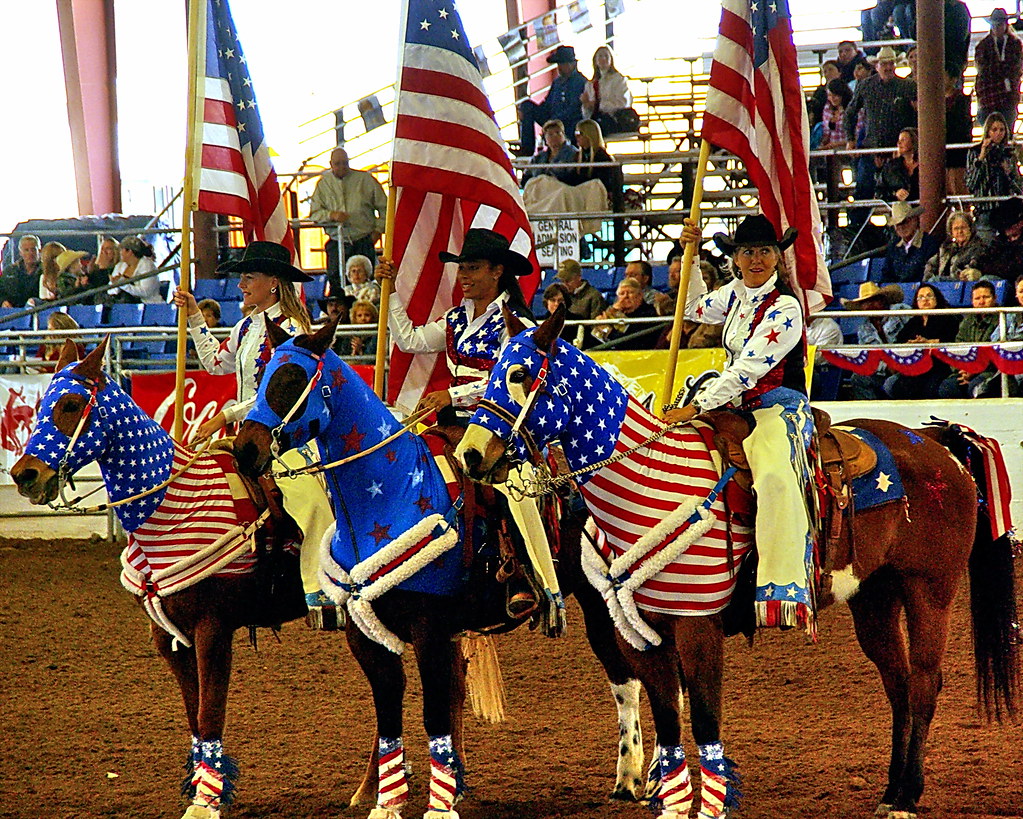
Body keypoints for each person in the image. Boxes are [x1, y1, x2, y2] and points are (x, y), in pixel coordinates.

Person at [172, 240, 336, 629]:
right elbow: (215, 364)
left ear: (273, 282)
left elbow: (277, 394)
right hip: (249, 433)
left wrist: (225, 415)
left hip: (284, 433)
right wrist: (194, 315)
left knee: (311, 501)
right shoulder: (246, 326)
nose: (241, 285)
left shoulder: (292, 330)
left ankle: (320, 588)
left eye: (249, 277)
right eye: (242, 278)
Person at [666, 215, 815, 631]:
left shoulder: (785, 307)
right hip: (735, 405)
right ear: (735, 258)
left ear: (777, 257)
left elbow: (748, 369)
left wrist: (697, 406)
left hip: (777, 405)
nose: (756, 259)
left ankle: (784, 587)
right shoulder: (734, 294)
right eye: (748, 251)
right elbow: (693, 307)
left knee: (775, 478)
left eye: (765, 251)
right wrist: (691, 255)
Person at [376, 227, 536, 420]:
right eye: (461, 268)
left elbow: (510, 379)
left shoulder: (516, 323)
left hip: (499, 419)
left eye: (473, 268)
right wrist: (390, 290)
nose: (463, 275)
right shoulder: (455, 318)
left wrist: (452, 395)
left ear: (497, 272)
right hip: (457, 415)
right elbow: (409, 341)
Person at [844, 46, 916, 226]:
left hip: (898, 153)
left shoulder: (908, 86)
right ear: (876, 66)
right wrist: (850, 139)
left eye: (891, 63)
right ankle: (857, 230)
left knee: (902, 193)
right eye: (884, 64)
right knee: (863, 192)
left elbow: (918, 115)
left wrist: (909, 145)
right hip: (872, 150)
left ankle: (900, 226)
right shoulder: (865, 86)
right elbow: (850, 113)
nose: (888, 67)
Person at [309, 147, 387, 295]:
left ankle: (366, 308)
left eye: (345, 163)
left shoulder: (365, 180)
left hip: (363, 240)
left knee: (367, 284)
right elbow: (314, 214)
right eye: (337, 163)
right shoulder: (323, 184)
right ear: (331, 164)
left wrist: (378, 231)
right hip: (337, 242)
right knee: (336, 284)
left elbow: (385, 207)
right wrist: (331, 215)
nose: (342, 167)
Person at [885, 283, 960, 399]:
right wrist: (909, 346)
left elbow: (951, 341)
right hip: (915, 366)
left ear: (937, 299)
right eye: (920, 297)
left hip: (939, 366)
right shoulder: (913, 322)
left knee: (930, 387)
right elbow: (899, 343)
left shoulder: (949, 318)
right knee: (896, 385)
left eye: (929, 296)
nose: (925, 300)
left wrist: (928, 343)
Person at [840, 282, 909, 400]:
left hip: (909, 363)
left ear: (883, 300)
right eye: (865, 302)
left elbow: (916, 333)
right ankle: (873, 409)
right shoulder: (864, 329)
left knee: (893, 383)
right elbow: (867, 358)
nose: (870, 305)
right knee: (858, 378)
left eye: (874, 300)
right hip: (885, 370)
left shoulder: (901, 312)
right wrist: (886, 367)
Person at [518, 44, 587, 157]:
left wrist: (554, 120)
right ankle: (527, 148)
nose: (559, 67)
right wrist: (528, 112)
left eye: (563, 64)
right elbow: (547, 103)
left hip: (570, 123)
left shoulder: (580, 82)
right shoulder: (557, 82)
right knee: (527, 106)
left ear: (573, 64)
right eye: (559, 64)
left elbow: (574, 108)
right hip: (553, 118)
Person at [937, 281, 1002, 398]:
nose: (981, 302)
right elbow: (957, 348)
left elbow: (997, 354)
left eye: (986, 297)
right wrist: (963, 369)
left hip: (991, 371)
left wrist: (975, 370)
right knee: (947, 387)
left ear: (995, 298)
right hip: (966, 369)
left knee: (976, 388)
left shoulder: (1002, 318)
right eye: (977, 298)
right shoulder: (967, 320)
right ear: (972, 301)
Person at [966, 113, 1023, 241]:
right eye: (994, 130)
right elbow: (971, 184)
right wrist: (981, 158)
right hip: (985, 209)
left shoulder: (1008, 153)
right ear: (988, 131)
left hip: (1006, 212)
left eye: (1001, 130)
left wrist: (1009, 173)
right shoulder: (974, 152)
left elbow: (1019, 187)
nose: (998, 134)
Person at [974, 8, 1023, 131]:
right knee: (990, 132)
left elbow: (1016, 69)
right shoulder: (983, 46)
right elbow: (984, 71)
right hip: (988, 98)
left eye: (999, 25)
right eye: (994, 25)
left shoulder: (1015, 44)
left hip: (1007, 98)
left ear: (1005, 25)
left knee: (1006, 132)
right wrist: (1004, 71)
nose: (996, 28)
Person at [590, 276, 659, 349]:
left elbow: (631, 344)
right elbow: (595, 341)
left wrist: (608, 331)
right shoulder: (613, 312)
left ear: (640, 295)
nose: (626, 296)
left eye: (630, 293)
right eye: (622, 293)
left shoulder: (649, 313)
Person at [878, 202, 939, 283]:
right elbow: (886, 275)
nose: (901, 227)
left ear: (915, 220)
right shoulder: (893, 246)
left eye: (905, 222)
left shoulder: (929, 243)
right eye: (897, 224)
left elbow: (929, 275)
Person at [580, 45, 634, 137]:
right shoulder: (590, 84)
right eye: (600, 56)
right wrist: (586, 105)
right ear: (595, 61)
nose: (603, 59)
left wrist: (598, 105)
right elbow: (587, 113)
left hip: (614, 119)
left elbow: (623, 103)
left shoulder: (619, 79)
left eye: (606, 56)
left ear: (611, 60)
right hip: (596, 120)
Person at [924, 211, 986, 281]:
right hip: (943, 283)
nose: (960, 231)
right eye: (956, 228)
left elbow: (970, 270)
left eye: (963, 227)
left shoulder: (978, 247)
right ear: (951, 232)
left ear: (970, 229)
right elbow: (931, 264)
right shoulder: (946, 248)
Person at [567, 118, 621, 197]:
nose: (576, 136)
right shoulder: (578, 156)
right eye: (576, 133)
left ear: (589, 135)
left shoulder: (603, 158)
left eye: (579, 133)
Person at [975, 196, 1023, 281]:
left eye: (1009, 225)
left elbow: (1014, 268)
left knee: (987, 279)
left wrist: (983, 272)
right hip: (998, 277)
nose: (1005, 228)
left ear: (1020, 223)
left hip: (1015, 282)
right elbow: (984, 259)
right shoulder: (1000, 240)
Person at [521, 119, 579, 185]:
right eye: (550, 134)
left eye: (558, 132)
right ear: (545, 139)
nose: (555, 136)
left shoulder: (573, 153)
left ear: (564, 135)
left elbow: (572, 178)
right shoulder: (538, 157)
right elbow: (526, 178)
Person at [944, 70, 973, 195]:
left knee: (959, 188)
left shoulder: (961, 100)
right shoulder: (934, 101)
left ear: (953, 79)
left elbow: (963, 125)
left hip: (958, 152)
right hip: (942, 151)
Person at [109, 237, 161, 304]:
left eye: (122, 250)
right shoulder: (119, 266)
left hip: (148, 305)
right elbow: (111, 291)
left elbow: (146, 292)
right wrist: (115, 284)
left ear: (130, 252)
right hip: (122, 304)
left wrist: (123, 284)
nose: (120, 253)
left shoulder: (147, 265)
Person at [876, 127, 919, 202]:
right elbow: (879, 191)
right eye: (899, 140)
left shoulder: (926, 165)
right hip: (898, 206)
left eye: (903, 140)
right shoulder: (891, 166)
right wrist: (895, 194)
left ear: (914, 142)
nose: (899, 143)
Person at [0, 235, 42, 308]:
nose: (30, 253)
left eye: (33, 249)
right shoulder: (9, 271)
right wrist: (3, 301)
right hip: (13, 310)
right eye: (26, 250)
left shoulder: (47, 271)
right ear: (20, 252)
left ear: (39, 251)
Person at [819, 79, 853, 150]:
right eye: (829, 95)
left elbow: (857, 135)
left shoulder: (853, 109)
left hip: (849, 150)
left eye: (835, 95)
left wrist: (836, 144)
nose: (832, 98)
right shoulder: (827, 109)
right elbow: (826, 132)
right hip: (831, 151)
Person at [943, 0, 973, 79]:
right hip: (955, 60)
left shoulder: (958, 9)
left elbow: (959, 35)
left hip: (953, 62)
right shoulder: (959, 8)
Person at [808, 60, 841, 126]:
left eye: (830, 70)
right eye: (825, 71)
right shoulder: (820, 91)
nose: (827, 74)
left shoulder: (844, 88)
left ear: (839, 72)